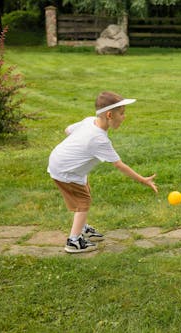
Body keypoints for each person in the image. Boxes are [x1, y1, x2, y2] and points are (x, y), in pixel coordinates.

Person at [48, 91, 158, 253]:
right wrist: (144, 180)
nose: (124, 117)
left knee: (85, 191)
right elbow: (119, 165)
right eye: (121, 113)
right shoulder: (99, 140)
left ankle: (82, 227)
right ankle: (73, 241)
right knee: (83, 203)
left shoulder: (89, 121)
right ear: (109, 115)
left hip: (62, 163)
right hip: (66, 171)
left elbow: (67, 130)